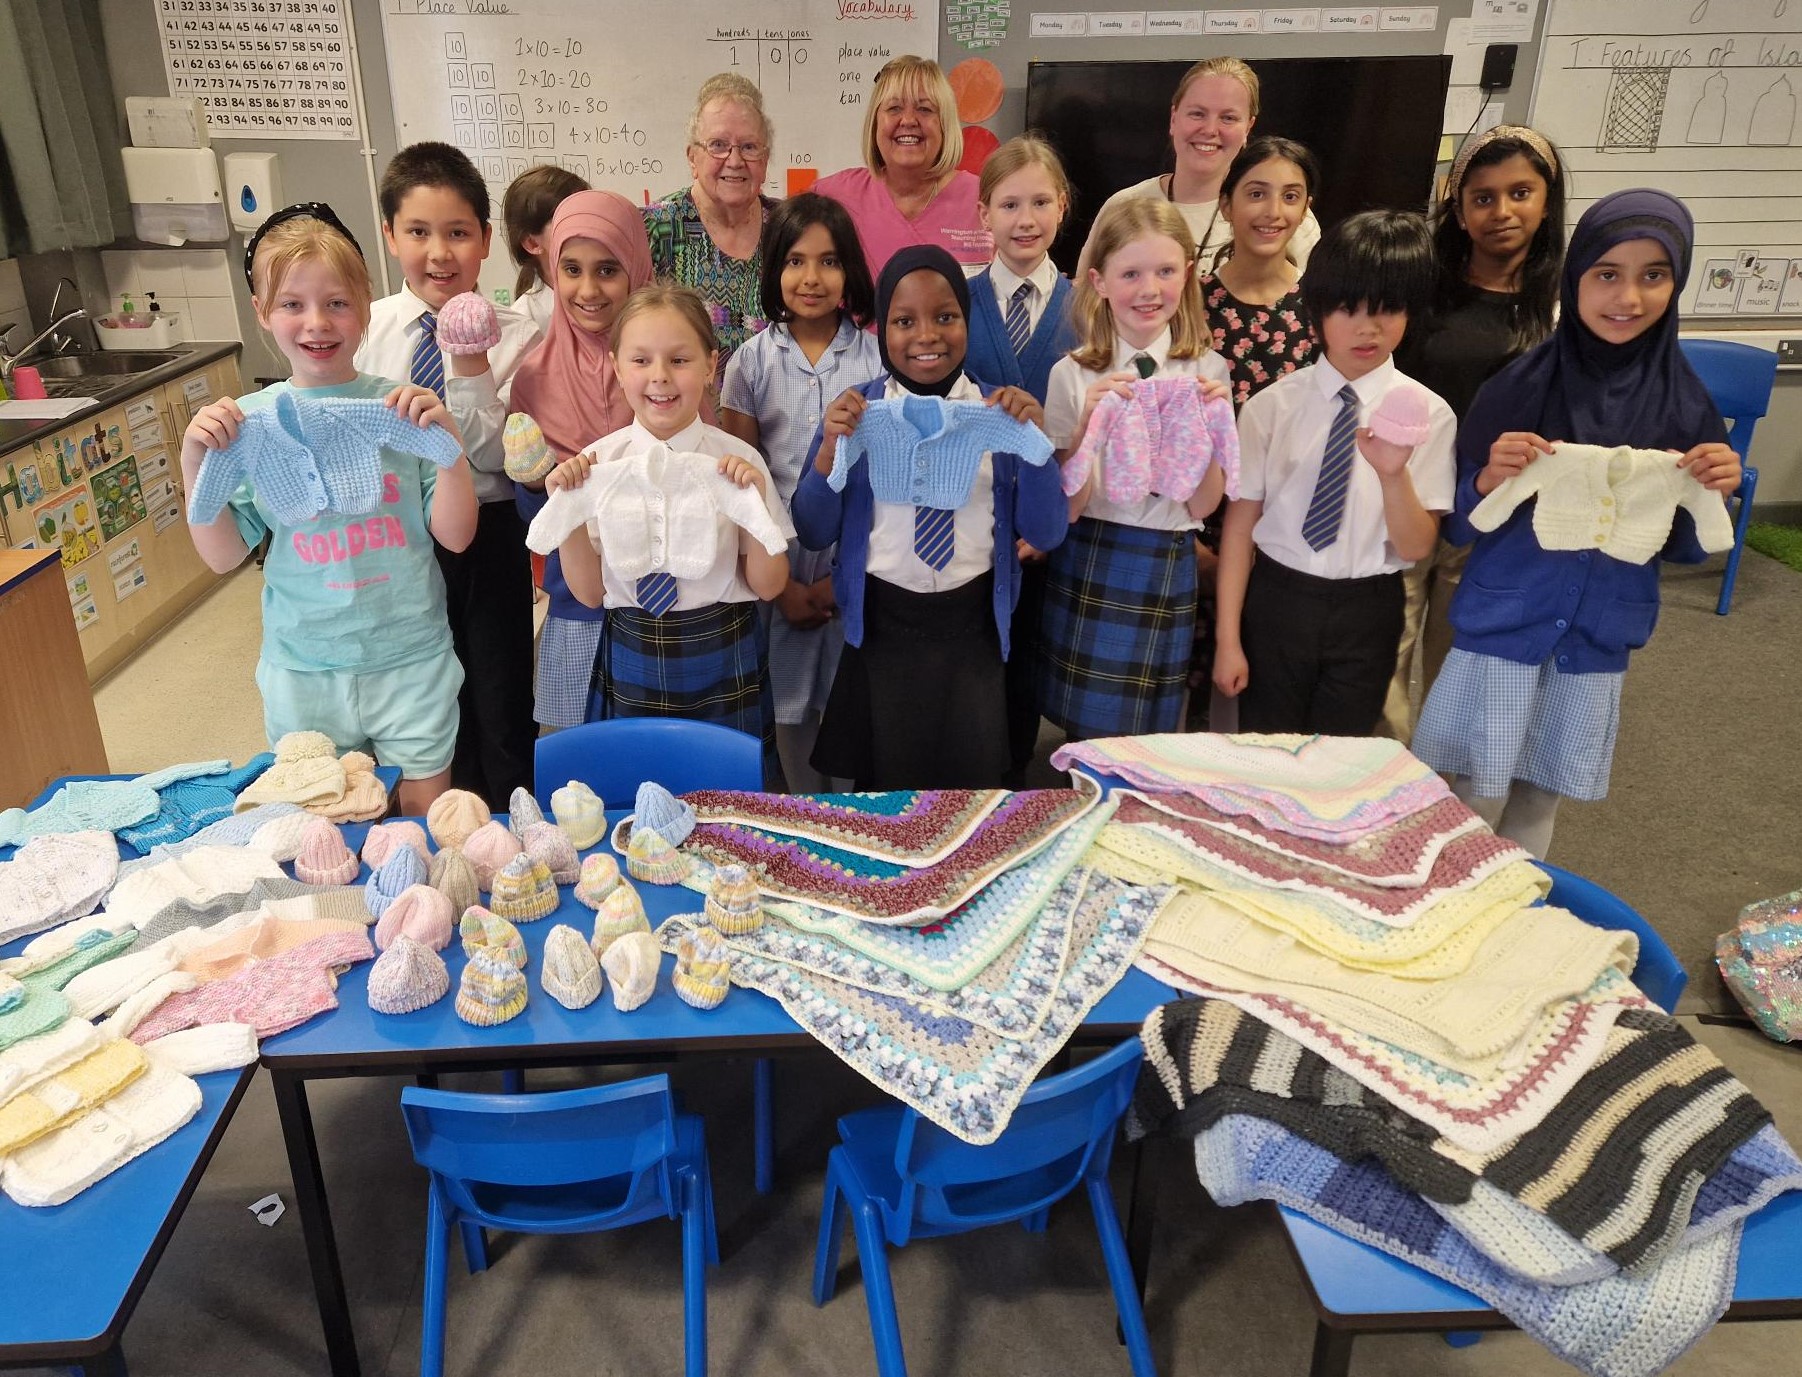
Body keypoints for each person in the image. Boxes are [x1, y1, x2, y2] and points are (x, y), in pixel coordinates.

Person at [1411, 189, 1739, 858]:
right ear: (1575, 276)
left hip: (1596, 639)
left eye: (1655, 275)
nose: (1629, 296)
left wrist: (1712, 490)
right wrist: (1487, 477)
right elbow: (1460, 525)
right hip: (1505, 627)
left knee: (1541, 793)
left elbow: (1677, 547)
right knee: (1474, 788)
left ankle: (1522, 913)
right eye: (1607, 273)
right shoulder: (1519, 385)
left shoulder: (1686, 403)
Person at [181, 204, 476, 814]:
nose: (317, 322)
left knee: (424, 827)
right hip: (304, 669)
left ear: (365, 305)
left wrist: (450, 450)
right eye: (292, 304)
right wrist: (194, 462)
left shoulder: (401, 411)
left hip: (410, 657)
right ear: (262, 312)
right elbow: (222, 556)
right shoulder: (251, 425)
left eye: (337, 303)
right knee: (322, 831)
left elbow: (456, 536)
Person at [791, 246, 1066, 789]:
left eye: (946, 317)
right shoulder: (858, 413)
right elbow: (814, 529)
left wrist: (1036, 448)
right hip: (882, 633)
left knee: (972, 797)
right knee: (883, 798)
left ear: (967, 321)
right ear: (881, 332)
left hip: (974, 634)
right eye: (903, 320)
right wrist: (828, 449)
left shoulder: (999, 411)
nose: (926, 335)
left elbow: (1046, 531)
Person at [1213, 210, 1455, 735]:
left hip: (1368, 605)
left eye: (1388, 309)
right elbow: (1239, 527)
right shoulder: (1271, 407)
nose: (1367, 328)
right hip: (1278, 599)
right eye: (1347, 309)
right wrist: (1228, 640)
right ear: (1318, 311)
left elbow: (1416, 548)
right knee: (1265, 748)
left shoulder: (1429, 413)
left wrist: (1394, 476)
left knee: (1340, 758)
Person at [534, 285, 792, 769]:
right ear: (616, 367)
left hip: (724, 650)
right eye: (640, 361)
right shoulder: (598, 464)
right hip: (630, 647)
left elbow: (770, 584)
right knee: (635, 797)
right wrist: (568, 508)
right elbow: (589, 594)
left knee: (730, 802)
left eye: (679, 360)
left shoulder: (739, 462)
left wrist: (753, 502)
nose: (660, 377)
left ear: (711, 365)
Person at [356, 141, 539, 809]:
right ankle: (439, 821)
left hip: (491, 531)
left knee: (499, 686)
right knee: (424, 687)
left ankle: (514, 820)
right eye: (419, 232)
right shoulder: (365, 332)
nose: (440, 252)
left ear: (486, 240)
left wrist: (469, 363)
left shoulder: (519, 336)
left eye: (459, 233)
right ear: (389, 234)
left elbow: (497, 456)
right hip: (399, 531)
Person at [1382, 125, 1568, 741]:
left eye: (1521, 193)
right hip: (1405, 499)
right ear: (1458, 210)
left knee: (1461, 672)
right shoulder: (1420, 288)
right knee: (1384, 658)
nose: (1502, 212)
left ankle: (1445, 808)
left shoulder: (1561, 306)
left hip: (1494, 513)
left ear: (1548, 201)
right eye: (1483, 198)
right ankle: (1382, 794)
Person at [1038, 198, 1232, 742]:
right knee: (1084, 737)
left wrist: (1217, 433)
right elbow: (1067, 510)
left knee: (1151, 734)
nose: (1150, 290)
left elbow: (1201, 506)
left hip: (1165, 557)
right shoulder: (1071, 376)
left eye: (1166, 271)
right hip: (1093, 549)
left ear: (1188, 275)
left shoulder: (1207, 369)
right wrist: (1086, 432)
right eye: (1131, 274)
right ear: (1099, 282)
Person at [719, 194, 880, 791]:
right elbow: (737, 482)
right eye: (795, 261)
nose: (811, 278)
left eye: (829, 261)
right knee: (788, 709)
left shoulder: (876, 356)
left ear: (850, 271)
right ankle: (804, 818)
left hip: (856, 561)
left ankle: (849, 828)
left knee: (850, 701)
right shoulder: (750, 364)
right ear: (773, 269)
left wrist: (842, 580)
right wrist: (783, 586)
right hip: (776, 561)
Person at [509, 191, 655, 734]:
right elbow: (536, 522)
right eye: (571, 269)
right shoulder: (533, 376)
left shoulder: (663, 361)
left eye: (608, 270)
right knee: (577, 774)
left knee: (669, 763)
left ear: (636, 268)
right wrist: (534, 482)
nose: (588, 290)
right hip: (576, 606)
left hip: (665, 603)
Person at [965, 135, 1082, 780]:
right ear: (984, 213)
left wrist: (1047, 521)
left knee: (1035, 670)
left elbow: (1089, 429)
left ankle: (1019, 784)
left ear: (1062, 207)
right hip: (974, 523)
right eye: (1009, 204)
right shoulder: (959, 301)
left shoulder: (1086, 309)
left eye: (1040, 202)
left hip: (1054, 523)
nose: (1026, 219)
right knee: (984, 667)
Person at [1077, 57, 1321, 278]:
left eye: (1228, 118)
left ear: (1248, 128)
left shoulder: (1284, 217)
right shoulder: (1123, 206)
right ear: (1174, 119)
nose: (1210, 130)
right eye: (1197, 114)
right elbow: (1086, 307)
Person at [643, 73, 777, 382]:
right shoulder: (655, 229)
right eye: (718, 145)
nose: (735, 160)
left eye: (749, 146)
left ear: (765, 160)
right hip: (683, 417)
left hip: (779, 417)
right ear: (692, 158)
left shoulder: (787, 228)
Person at [814, 55, 993, 278]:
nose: (908, 120)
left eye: (925, 109)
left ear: (944, 124)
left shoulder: (986, 197)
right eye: (894, 108)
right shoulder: (834, 196)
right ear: (875, 123)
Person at [1200, 136, 1321, 408]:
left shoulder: (1321, 304)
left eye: (1290, 197)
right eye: (1257, 194)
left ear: (1304, 210)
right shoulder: (1189, 303)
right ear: (1226, 206)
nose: (1273, 211)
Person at [502, 164, 590, 333]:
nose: (587, 228)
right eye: (570, 220)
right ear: (532, 243)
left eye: (589, 215)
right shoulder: (522, 328)